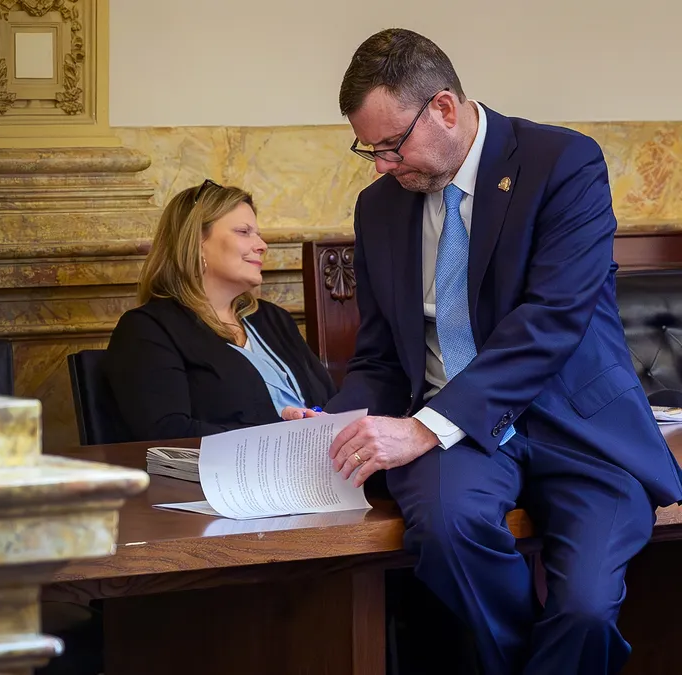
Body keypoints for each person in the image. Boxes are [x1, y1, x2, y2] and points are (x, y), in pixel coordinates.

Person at [323, 28, 682, 675]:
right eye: (367, 148)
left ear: (444, 109)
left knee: (586, 608)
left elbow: (550, 321)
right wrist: (337, 422)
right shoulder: (378, 209)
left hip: (576, 426)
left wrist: (422, 428)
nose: (379, 164)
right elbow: (378, 355)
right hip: (454, 440)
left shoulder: (563, 164)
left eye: (390, 145)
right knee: (445, 532)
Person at [103, 180, 333, 441]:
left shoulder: (272, 318)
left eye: (257, 233)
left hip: (321, 468)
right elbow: (167, 434)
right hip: (223, 479)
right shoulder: (147, 330)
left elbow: (328, 400)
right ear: (197, 242)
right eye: (244, 232)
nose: (262, 245)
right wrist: (276, 432)